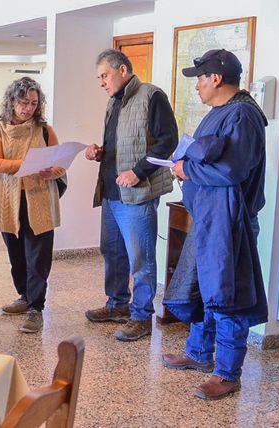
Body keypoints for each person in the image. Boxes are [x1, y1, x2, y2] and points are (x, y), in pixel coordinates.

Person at [161, 48, 268, 400]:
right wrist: (184, 166)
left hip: (230, 226)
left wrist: (186, 169)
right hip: (210, 219)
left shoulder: (243, 116)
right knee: (202, 287)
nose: (197, 86)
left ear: (217, 78)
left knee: (227, 295)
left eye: (200, 79)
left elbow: (230, 171)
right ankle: (198, 352)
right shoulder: (219, 112)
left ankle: (227, 373)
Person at [83, 49, 178, 341]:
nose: (101, 82)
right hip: (111, 192)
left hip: (138, 193)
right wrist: (100, 152)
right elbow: (124, 143)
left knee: (141, 258)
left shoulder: (152, 96)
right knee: (112, 252)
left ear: (122, 70)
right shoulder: (113, 101)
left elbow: (168, 141)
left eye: (104, 75)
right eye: (99, 78)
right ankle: (117, 304)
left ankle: (141, 317)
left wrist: (138, 171)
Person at [0, 77, 64, 334]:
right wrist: (28, 165)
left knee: (38, 258)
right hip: (9, 202)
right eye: (23, 102)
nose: (28, 108)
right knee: (16, 256)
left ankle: (36, 309)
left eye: (33, 103)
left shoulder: (45, 130)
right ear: (12, 101)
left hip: (40, 201)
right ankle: (24, 296)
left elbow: (60, 163)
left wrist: (52, 170)